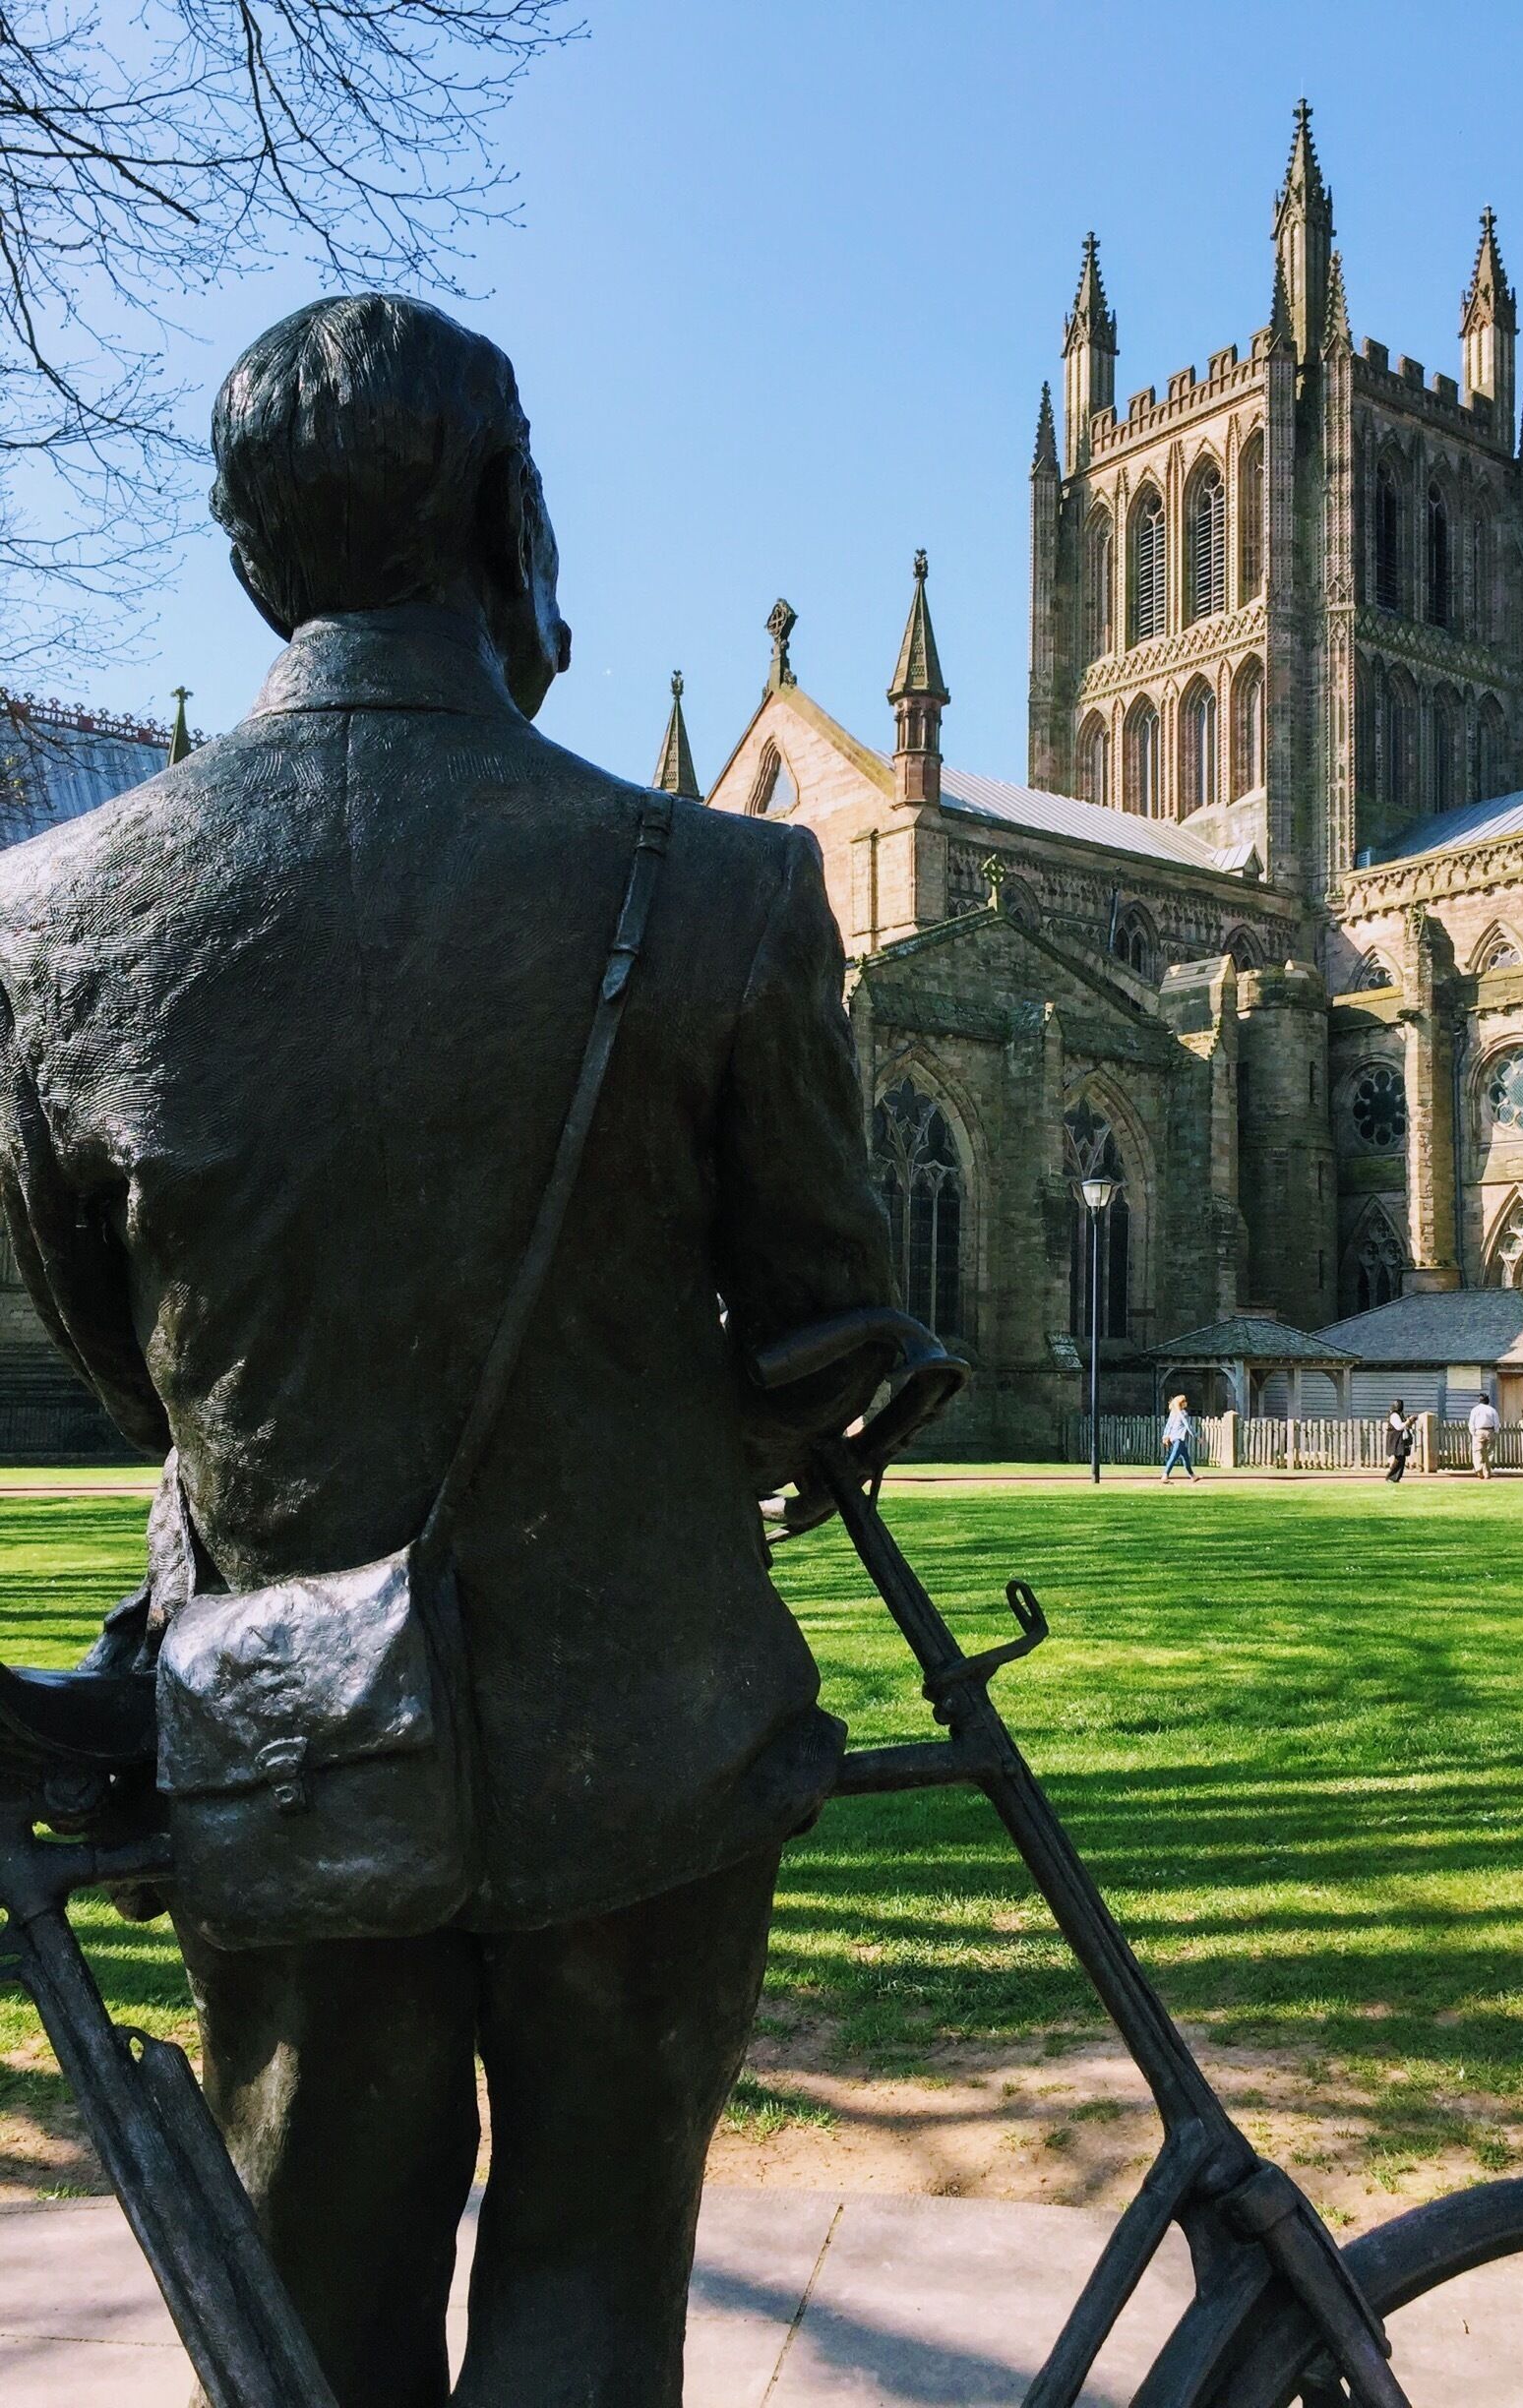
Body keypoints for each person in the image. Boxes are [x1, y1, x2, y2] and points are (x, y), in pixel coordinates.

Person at [0, 295, 896, 2408]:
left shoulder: (50, 924)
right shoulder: (729, 891)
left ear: (253, 557)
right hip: (646, 1740)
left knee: (311, 2315)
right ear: (512, 520)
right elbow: (828, 1316)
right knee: (592, 2288)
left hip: (290, 1731)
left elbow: (126, 1360)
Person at [1160, 1392, 1195, 1481]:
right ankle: (1165, 1475)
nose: (1186, 1403)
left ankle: (1193, 1475)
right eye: (1184, 1401)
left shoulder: (1173, 1413)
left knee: (1186, 1458)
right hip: (1179, 1438)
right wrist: (1196, 1436)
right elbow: (1188, 1425)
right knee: (1173, 1457)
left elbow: (1168, 1425)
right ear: (1181, 1403)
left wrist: (1165, 1436)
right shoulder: (1183, 1413)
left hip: (1175, 1438)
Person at [1468, 1392, 1500, 1478]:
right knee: (1489, 1452)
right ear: (1487, 1401)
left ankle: (1479, 1469)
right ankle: (1487, 1472)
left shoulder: (1475, 1410)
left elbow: (1471, 1423)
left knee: (1477, 1451)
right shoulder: (1492, 1410)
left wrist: (1473, 1433)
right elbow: (1496, 1423)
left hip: (1478, 1431)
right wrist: (1496, 1432)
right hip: (1490, 1431)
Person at [1384, 1399, 1413, 1483]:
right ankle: (1391, 1477)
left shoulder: (1400, 1415)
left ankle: (1395, 1478)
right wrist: (1408, 1421)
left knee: (1401, 1458)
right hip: (1396, 1439)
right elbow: (1399, 1427)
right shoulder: (1394, 1415)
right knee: (1399, 1458)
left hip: (1400, 1438)